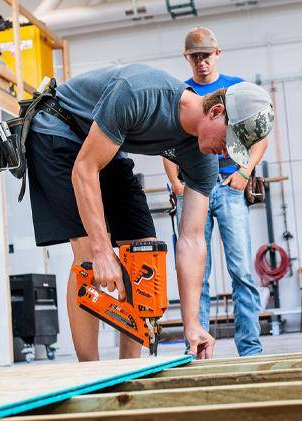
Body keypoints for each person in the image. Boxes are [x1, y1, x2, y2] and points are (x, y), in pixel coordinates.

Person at [25, 62, 274, 360]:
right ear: (216, 112)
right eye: (227, 142)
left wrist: (192, 324)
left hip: (105, 141)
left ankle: (128, 370)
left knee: (143, 253)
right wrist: (103, 250)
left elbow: (193, 241)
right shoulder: (141, 93)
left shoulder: (203, 159)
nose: (225, 153)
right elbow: (85, 169)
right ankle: (89, 372)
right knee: (89, 256)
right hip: (58, 128)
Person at [163, 27, 267, 357]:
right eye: (195, 57)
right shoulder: (183, 94)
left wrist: (244, 172)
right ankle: (197, 347)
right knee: (197, 274)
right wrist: (176, 185)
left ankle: (249, 349)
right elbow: (166, 145)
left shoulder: (236, 89)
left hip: (229, 186)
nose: (201, 62)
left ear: (217, 54)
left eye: (206, 56)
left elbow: (261, 134)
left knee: (242, 271)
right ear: (187, 58)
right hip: (193, 190)